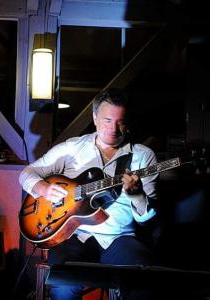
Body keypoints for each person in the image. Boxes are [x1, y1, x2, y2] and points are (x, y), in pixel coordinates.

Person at [19, 88, 158, 300]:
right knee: (64, 287)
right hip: (73, 235)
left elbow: (147, 219)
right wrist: (44, 189)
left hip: (119, 238)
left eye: (120, 122)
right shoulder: (72, 147)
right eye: (107, 120)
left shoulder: (143, 156)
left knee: (143, 282)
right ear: (94, 118)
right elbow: (27, 173)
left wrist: (137, 195)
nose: (113, 128)